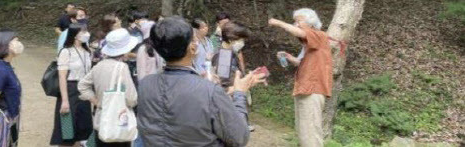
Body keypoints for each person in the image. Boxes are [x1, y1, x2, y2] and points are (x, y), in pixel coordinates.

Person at [137, 16, 265, 146]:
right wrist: (239, 93)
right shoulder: (209, 90)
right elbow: (240, 137)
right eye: (195, 39)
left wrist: (199, 80)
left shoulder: (145, 85)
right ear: (192, 48)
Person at [269, 8, 333, 147]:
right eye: (295, 21)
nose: (296, 24)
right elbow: (300, 62)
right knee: (304, 130)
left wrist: (280, 23)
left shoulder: (319, 35)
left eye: (299, 20)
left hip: (312, 89)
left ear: (311, 22)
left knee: (310, 132)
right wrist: (288, 57)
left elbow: (301, 32)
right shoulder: (309, 45)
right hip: (304, 89)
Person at [78, 28, 138, 147]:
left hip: (101, 119)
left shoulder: (99, 66)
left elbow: (82, 85)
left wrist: (97, 102)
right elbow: (131, 99)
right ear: (125, 49)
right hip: (118, 122)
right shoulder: (122, 68)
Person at [50, 24, 93, 146]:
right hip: (70, 90)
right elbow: (62, 77)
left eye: (86, 30)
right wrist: (64, 100)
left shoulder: (87, 51)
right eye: (83, 31)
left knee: (83, 129)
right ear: (75, 35)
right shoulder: (66, 52)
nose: (86, 34)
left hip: (84, 91)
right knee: (67, 131)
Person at [211, 21, 250, 90]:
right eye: (241, 39)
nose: (242, 42)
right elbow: (223, 89)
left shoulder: (231, 53)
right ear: (231, 39)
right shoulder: (223, 58)